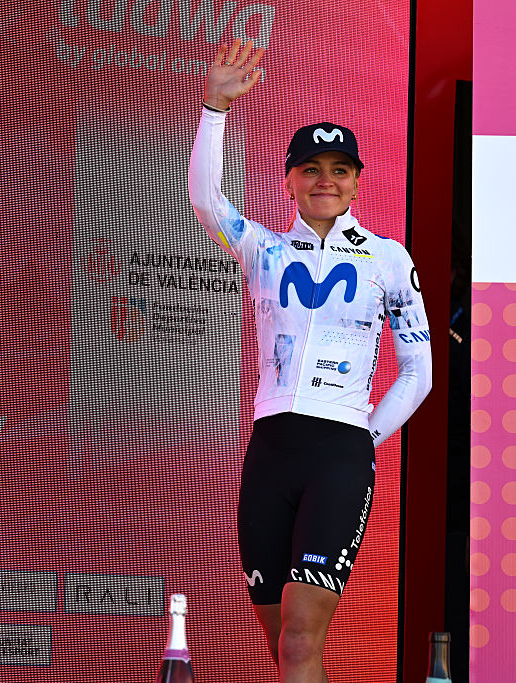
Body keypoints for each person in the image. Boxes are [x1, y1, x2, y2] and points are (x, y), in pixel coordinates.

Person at [188, 39, 432, 682]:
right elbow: (208, 201)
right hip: (269, 450)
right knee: (286, 650)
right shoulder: (262, 249)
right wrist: (215, 109)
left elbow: (419, 370)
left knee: (299, 643)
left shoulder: (388, 258)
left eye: (340, 169)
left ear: (356, 180)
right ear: (289, 179)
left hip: (339, 453)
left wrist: (364, 437)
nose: (326, 179)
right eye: (312, 168)